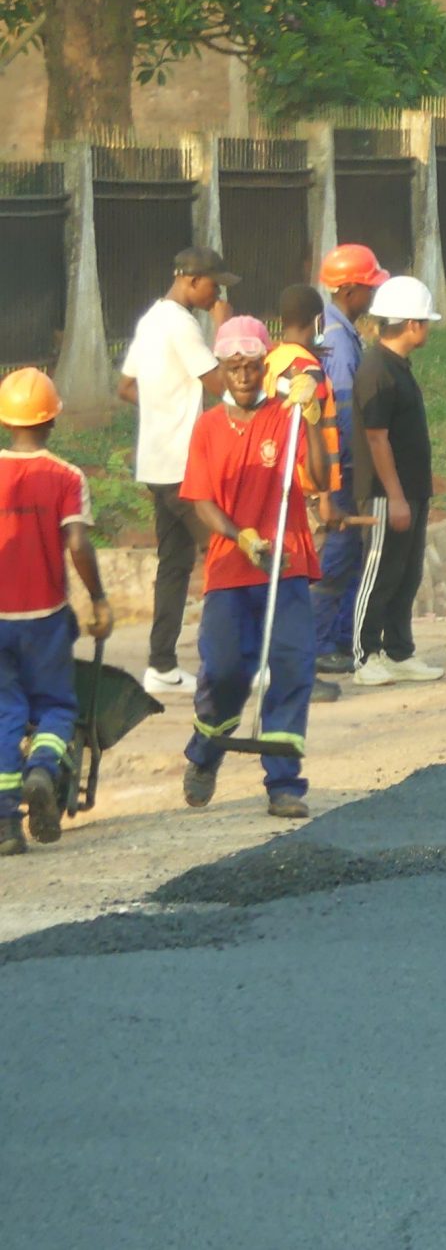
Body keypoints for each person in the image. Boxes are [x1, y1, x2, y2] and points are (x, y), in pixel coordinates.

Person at [179, 319, 328, 819]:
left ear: (266, 366)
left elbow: (323, 475)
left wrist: (311, 416)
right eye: (231, 367)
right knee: (225, 672)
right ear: (220, 371)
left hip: (284, 564)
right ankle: (204, 752)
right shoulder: (207, 428)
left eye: (250, 366)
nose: (242, 375)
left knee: (292, 662)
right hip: (230, 567)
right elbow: (200, 499)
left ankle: (284, 782)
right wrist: (239, 534)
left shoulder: (285, 418)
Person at [0, 368, 112, 853]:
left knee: (5, 712)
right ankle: (43, 771)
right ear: (51, 421)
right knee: (57, 706)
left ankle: (5, 827)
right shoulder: (67, 476)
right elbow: (78, 544)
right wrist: (100, 598)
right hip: (45, 617)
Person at [116, 245, 233, 696]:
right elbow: (222, 384)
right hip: (184, 468)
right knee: (228, 554)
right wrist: (225, 329)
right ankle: (233, 660)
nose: (217, 293)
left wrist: (163, 407)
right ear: (189, 280)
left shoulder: (151, 319)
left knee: (176, 564)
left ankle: (162, 665)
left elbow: (126, 387)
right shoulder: (183, 326)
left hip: (157, 462)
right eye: (213, 285)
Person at [347, 275, 443, 684]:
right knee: (380, 572)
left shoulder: (398, 366)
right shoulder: (377, 370)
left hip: (412, 490)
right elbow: (376, 437)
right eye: (424, 320)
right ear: (412, 324)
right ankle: (365, 653)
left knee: (407, 573)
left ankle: (398, 649)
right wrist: (396, 497)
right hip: (387, 494)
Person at [267, 285, 345, 704]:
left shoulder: (272, 361)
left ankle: (282, 669)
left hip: (277, 483)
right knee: (299, 588)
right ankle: (299, 675)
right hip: (302, 489)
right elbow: (313, 432)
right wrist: (323, 496)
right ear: (317, 321)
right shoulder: (305, 369)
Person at [312, 244, 387, 675]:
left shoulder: (339, 330)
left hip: (344, 469)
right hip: (342, 471)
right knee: (338, 557)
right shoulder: (339, 342)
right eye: (369, 288)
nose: (372, 297)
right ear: (351, 291)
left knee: (351, 556)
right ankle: (321, 643)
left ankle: (340, 639)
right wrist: (343, 477)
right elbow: (339, 414)